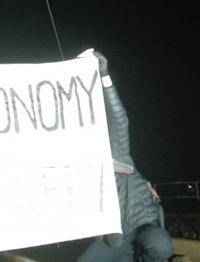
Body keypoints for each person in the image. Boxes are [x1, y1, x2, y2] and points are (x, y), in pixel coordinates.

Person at [77, 51, 174, 262]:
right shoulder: (80, 173)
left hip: (143, 224)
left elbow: (119, 118)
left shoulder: (115, 153)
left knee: (160, 246)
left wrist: (104, 76)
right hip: (118, 234)